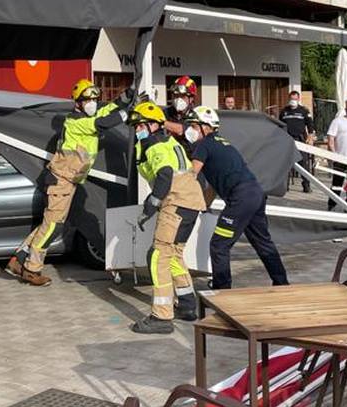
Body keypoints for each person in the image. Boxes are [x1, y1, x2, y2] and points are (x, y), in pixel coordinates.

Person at [7, 78, 134, 286]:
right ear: (78, 103)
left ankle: (18, 260)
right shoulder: (76, 122)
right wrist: (127, 113)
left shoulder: (88, 116)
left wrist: (126, 97)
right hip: (62, 181)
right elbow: (104, 122)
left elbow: (107, 110)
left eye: (95, 99)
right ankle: (31, 268)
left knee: (49, 222)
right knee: (53, 225)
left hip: (68, 181)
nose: (93, 103)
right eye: (87, 100)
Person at [184, 106, 288, 290]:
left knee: (219, 245)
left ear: (205, 127)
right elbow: (214, 187)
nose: (190, 131)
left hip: (240, 198)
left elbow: (191, 174)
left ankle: (222, 291)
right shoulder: (221, 143)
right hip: (255, 193)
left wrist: (178, 195)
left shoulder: (203, 145)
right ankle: (282, 283)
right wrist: (203, 207)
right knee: (262, 242)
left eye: (193, 126)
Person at [130, 100, 206, 334]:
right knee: (173, 254)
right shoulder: (170, 141)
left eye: (140, 125)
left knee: (158, 255)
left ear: (153, 125)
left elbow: (164, 174)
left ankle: (162, 317)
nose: (137, 130)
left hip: (176, 201)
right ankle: (187, 304)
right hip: (191, 202)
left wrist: (150, 206)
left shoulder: (154, 145)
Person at [278, 90, 315, 192]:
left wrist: (310, 137)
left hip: (300, 140)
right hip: (288, 140)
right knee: (286, 164)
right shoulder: (284, 111)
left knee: (304, 163)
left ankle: (306, 185)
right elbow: (280, 125)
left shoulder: (304, 111)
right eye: (291, 99)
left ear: (298, 99)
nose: (293, 101)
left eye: (295, 99)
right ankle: (285, 186)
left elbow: (310, 125)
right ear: (289, 99)